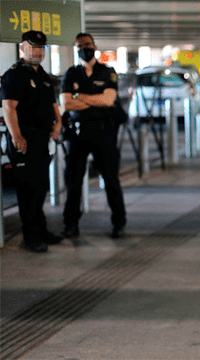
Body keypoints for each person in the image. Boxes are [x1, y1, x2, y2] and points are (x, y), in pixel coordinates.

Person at [1, 31, 63, 253]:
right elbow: (8, 107)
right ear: (22, 48)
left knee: (40, 187)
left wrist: (58, 123)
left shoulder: (43, 75)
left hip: (41, 140)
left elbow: (53, 103)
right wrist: (16, 136)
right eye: (33, 46)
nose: (37, 51)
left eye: (41, 47)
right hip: (24, 140)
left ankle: (42, 230)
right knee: (28, 191)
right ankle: (31, 237)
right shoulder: (14, 75)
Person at [61, 33, 127, 239]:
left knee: (111, 180)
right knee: (73, 183)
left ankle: (119, 223)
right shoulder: (71, 73)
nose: (84, 48)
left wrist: (79, 97)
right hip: (77, 134)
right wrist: (94, 100)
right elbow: (67, 104)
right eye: (80, 46)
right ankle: (71, 224)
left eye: (88, 45)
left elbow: (109, 100)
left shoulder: (108, 72)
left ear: (94, 46)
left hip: (103, 133)